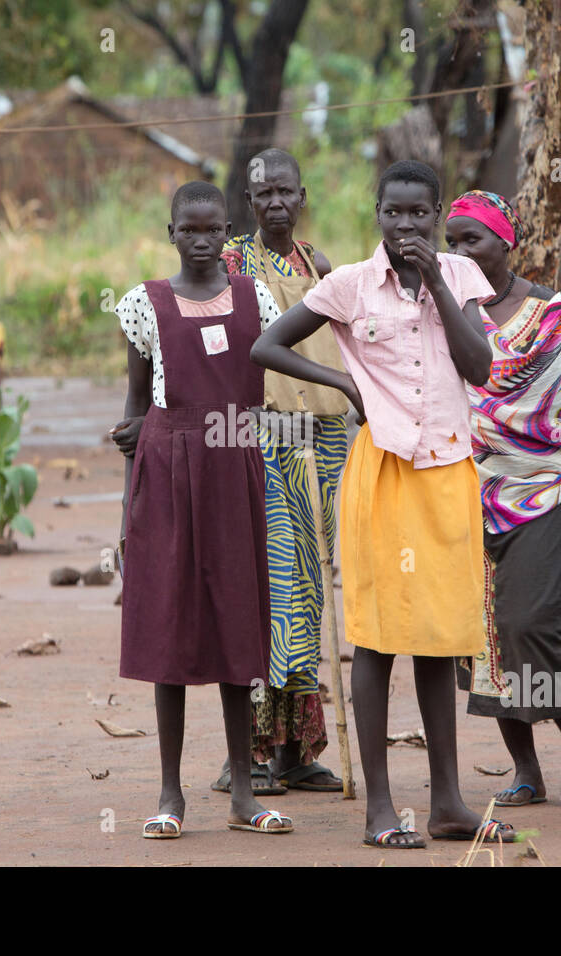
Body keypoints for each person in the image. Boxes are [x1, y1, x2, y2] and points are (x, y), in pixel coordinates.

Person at [252, 160, 515, 848]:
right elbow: (266, 345)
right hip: (383, 474)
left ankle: (449, 803)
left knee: (442, 637)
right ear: (377, 212)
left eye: (419, 213)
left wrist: (431, 278)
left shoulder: (457, 277)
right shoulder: (346, 286)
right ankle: (378, 809)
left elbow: (480, 367)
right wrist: (343, 382)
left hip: (449, 471)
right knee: (376, 639)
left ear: (435, 216)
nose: (406, 225)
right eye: (394, 212)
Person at [115, 180, 293, 839]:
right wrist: (127, 516)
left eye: (212, 228)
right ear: (171, 234)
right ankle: (170, 794)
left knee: (237, 629)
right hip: (167, 474)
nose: (200, 239)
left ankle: (244, 792)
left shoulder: (257, 298)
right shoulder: (145, 305)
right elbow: (135, 410)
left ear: (228, 231)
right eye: (188, 229)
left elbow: (269, 385)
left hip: (236, 469)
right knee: (170, 629)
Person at [444, 190, 561, 808]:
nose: (460, 252)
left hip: (537, 491)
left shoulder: (550, 313)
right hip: (461, 492)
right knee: (486, 639)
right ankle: (525, 768)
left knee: (532, 624)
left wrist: (495, 417)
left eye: (471, 239)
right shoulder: (445, 311)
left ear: (505, 242)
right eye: (451, 241)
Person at [210, 147, 347, 796]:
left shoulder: (316, 263)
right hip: (265, 435)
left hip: (322, 439)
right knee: (272, 591)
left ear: (301, 195)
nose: (275, 203)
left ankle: (296, 748)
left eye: (285, 192)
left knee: (311, 593)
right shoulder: (232, 264)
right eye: (262, 194)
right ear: (249, 202)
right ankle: (253, 753)